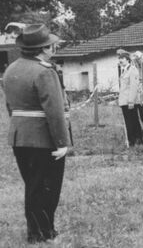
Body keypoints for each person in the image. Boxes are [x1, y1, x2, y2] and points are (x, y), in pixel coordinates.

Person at [6, 24, 72, 243]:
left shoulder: (11, 68)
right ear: (45, 49)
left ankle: (36, 231)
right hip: (43, 138)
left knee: (32, 185)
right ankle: (43, 232)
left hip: (19, 135)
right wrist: (62, 142)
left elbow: (10, 106)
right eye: (51, 44)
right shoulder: (45, 71)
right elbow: (54, 111)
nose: (54, 47)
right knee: (47, 187)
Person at [117, 49, 143, 146]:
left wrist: (131, 101)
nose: (120, 60)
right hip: (124, 101)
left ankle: (134, 141)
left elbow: (134, 86)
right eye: (119, 58)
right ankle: (135, 140)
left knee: (132, 121)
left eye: (122, 58)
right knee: (130, 121)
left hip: (130, 101)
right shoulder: (124, 70)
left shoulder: (132, 70)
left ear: (128, 60)